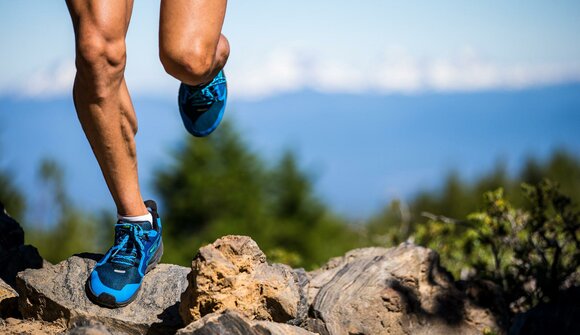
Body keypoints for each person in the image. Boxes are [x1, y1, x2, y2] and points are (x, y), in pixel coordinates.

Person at [65, 0, 229, 308]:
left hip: (194, 63)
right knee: (97, 52)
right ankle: (137, 223)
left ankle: (210, 64)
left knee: (188, 59)